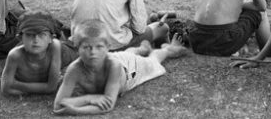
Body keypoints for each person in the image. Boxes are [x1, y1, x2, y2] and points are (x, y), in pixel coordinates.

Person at [53, 20, 186, 116]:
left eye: (99, 47)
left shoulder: (113, 67)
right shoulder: (74, 69)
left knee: (153, 61)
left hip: (130, 69)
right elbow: (58, 105)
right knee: (125, 54)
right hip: (117, 57)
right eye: (87, 47)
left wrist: (76, 110)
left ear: (107, 46)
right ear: (77, 48)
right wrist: (90, 99)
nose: (93, 52)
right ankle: (140, 48)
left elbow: (108, 104)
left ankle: (168, 50)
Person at [0, 10, 64, 96]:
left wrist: (16, 84)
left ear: (51, 38)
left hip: (64, 54)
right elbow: (6, 89)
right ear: (20, 38)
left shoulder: (54, 46)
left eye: (42, 35)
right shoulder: (15, 55)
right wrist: (44, 87)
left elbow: (51, 88)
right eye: (29, 34)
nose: (36, 40)